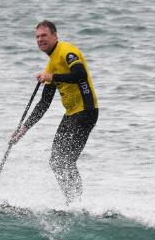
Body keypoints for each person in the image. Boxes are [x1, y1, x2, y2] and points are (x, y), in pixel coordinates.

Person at [9, 20, 100, 203]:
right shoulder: (51, 65)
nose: (40, 39)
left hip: (86, 111)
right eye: (37, 37)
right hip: (71, 114)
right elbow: (44, 103)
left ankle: (77, 203)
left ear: (54, 36)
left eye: (44, 35)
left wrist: (52, 77)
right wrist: (23, 128)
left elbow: (80, 74)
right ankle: (73, 201)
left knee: (65, 160)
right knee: (56, 162)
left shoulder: (67, 52)